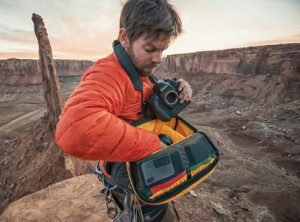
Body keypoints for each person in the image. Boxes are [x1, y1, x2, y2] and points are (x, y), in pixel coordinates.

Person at [55, 0, 192, 221]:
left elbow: (138, 99)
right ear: (125, 37)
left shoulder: (138, 71)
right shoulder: (107, 74)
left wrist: (176, 88)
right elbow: (75, 129)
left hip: (143, 171)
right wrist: (153, 145)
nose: (158, 59)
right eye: (150, 49)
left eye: (162, 50)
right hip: (128, 176)